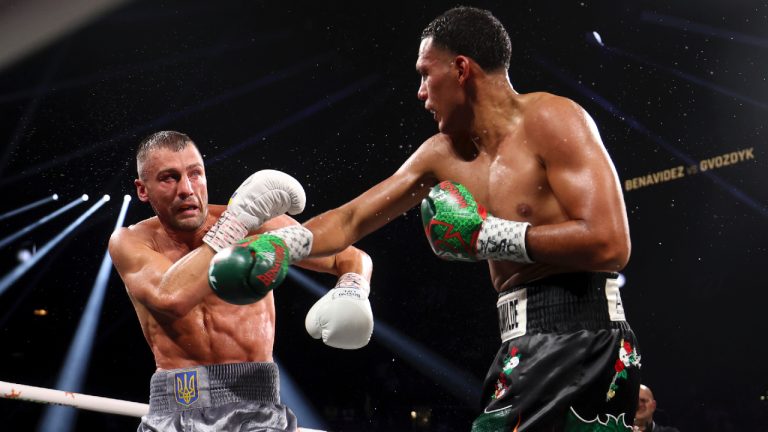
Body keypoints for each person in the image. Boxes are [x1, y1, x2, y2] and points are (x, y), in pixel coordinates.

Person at [242, 6, 641, 431]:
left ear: (461, 69)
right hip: (520, 341)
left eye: (425, 73)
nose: (420, 92)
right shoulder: (440, 154)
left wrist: (490, 236)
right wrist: (283, 245)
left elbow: (610, 244)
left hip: (581, 334)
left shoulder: (553, 119)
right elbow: (353, 218)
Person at [108, 130, 374, 432]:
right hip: (175, 407)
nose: (186, 189)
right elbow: (170, 297)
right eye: (169, 178)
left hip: (257, 410)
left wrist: (353, 288)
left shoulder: (254, 224)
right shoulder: (130, 241)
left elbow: (349, 256)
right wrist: (236, 224)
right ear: (143, 190)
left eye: (195, 174)